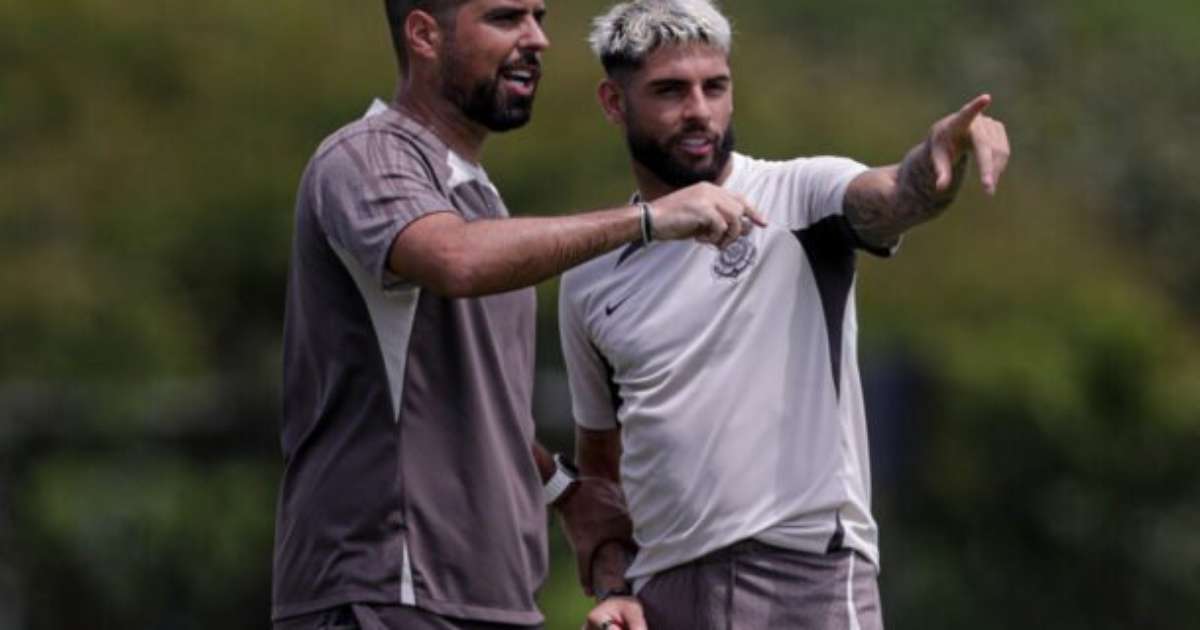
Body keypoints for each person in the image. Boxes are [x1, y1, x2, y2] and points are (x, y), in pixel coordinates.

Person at [271, 0, 767, 628]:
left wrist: (561, 491)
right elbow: (454, 258)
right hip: (385, 590)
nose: (538, 40)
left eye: (540, 16)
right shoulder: (366, 157)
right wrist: (646, 220)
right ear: (425, 34)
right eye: (506, 18)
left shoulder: (477, 192)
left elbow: (466, 397)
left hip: (487, 596)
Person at [557, 1, 1011, 629]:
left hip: (806, 577)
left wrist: (942, 157)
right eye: (669, 90)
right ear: (614, 102)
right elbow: (599, 476)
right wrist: (613, 587)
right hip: (664, 597)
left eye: (714, 87)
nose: (699, 110)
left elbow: (896, 196)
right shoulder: (589, 276)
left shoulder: (799, 196)